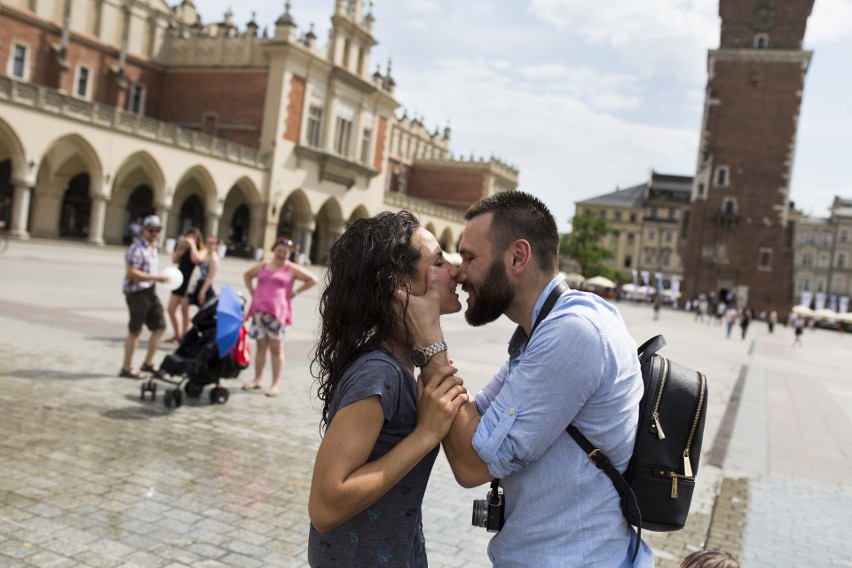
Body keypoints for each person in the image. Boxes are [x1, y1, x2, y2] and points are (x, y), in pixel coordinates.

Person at [401, 192, 653, 566]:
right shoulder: (547, 328)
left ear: (517, 257)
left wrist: (429, 343)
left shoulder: (574, 333)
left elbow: (471, 463)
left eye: (469, 257)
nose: (459, 272)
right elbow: (474, 420)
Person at [307, 211, 468, 567]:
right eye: (439, 261)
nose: (455, 271)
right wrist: (425, 435)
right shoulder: (380, 372)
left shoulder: (397, 366)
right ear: (401, 283)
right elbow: (325, 505)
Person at [242, 237, 318, 397]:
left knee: (276, 349)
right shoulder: (264, 265)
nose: (281, 254)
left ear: (289, 253)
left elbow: (313, 279)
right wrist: (252, 292)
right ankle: (257, 380)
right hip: (259, 312)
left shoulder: (291, 268)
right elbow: (247, 275)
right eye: (279, 251)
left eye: (285, 252)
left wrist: (296, 292)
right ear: (274, 250)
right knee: (261, 347)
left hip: (278, 314)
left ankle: (275, 385)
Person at [120, 215, 170, 380]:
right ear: (143, 230)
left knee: (160, 327)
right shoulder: (136, 248)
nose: (154, 233)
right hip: (136, 293)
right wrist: (155, 277)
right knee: (135, 331)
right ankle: (126, 368)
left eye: (157, 230)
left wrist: (155, 279)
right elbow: (131, 272)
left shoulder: (153, 248)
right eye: (151, 230)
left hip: (150, 292)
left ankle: (148, 363)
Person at [166, 228, 206, 343]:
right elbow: (174, 260)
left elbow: (196, 259)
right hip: (178, 280)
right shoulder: (184, 248)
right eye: (188, 236)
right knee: (171, 308)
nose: (190, 239)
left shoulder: (201, 250)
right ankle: (176, 334)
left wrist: (193, 245)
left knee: (184, 309)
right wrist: (179, 248)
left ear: (198, 239)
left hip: (190, 282)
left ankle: (184, 336)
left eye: (193, 237)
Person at [188, 234, 220, 307]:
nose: (209, 245)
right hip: (199, 282)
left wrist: (203, 291)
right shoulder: (205, 253)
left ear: (216, 245)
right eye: (208, 242)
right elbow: (195, 259)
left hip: (205, 285)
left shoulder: (214, 259)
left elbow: (210, 277)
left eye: (212, 243)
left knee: (204, 309)